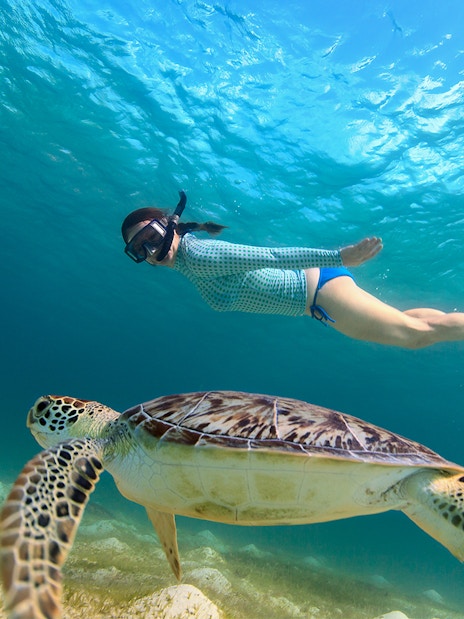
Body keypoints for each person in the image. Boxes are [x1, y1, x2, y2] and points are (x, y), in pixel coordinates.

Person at [121, 192, 464, 349]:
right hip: (317, 296)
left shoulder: (200, 257)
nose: (150, 250)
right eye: (139, 249)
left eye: (151, 237)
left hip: (318, 292)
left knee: (415, 334)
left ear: (169, 226)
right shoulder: (189, 262)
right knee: (415, 326)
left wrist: (340, 256)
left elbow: (271, 256)